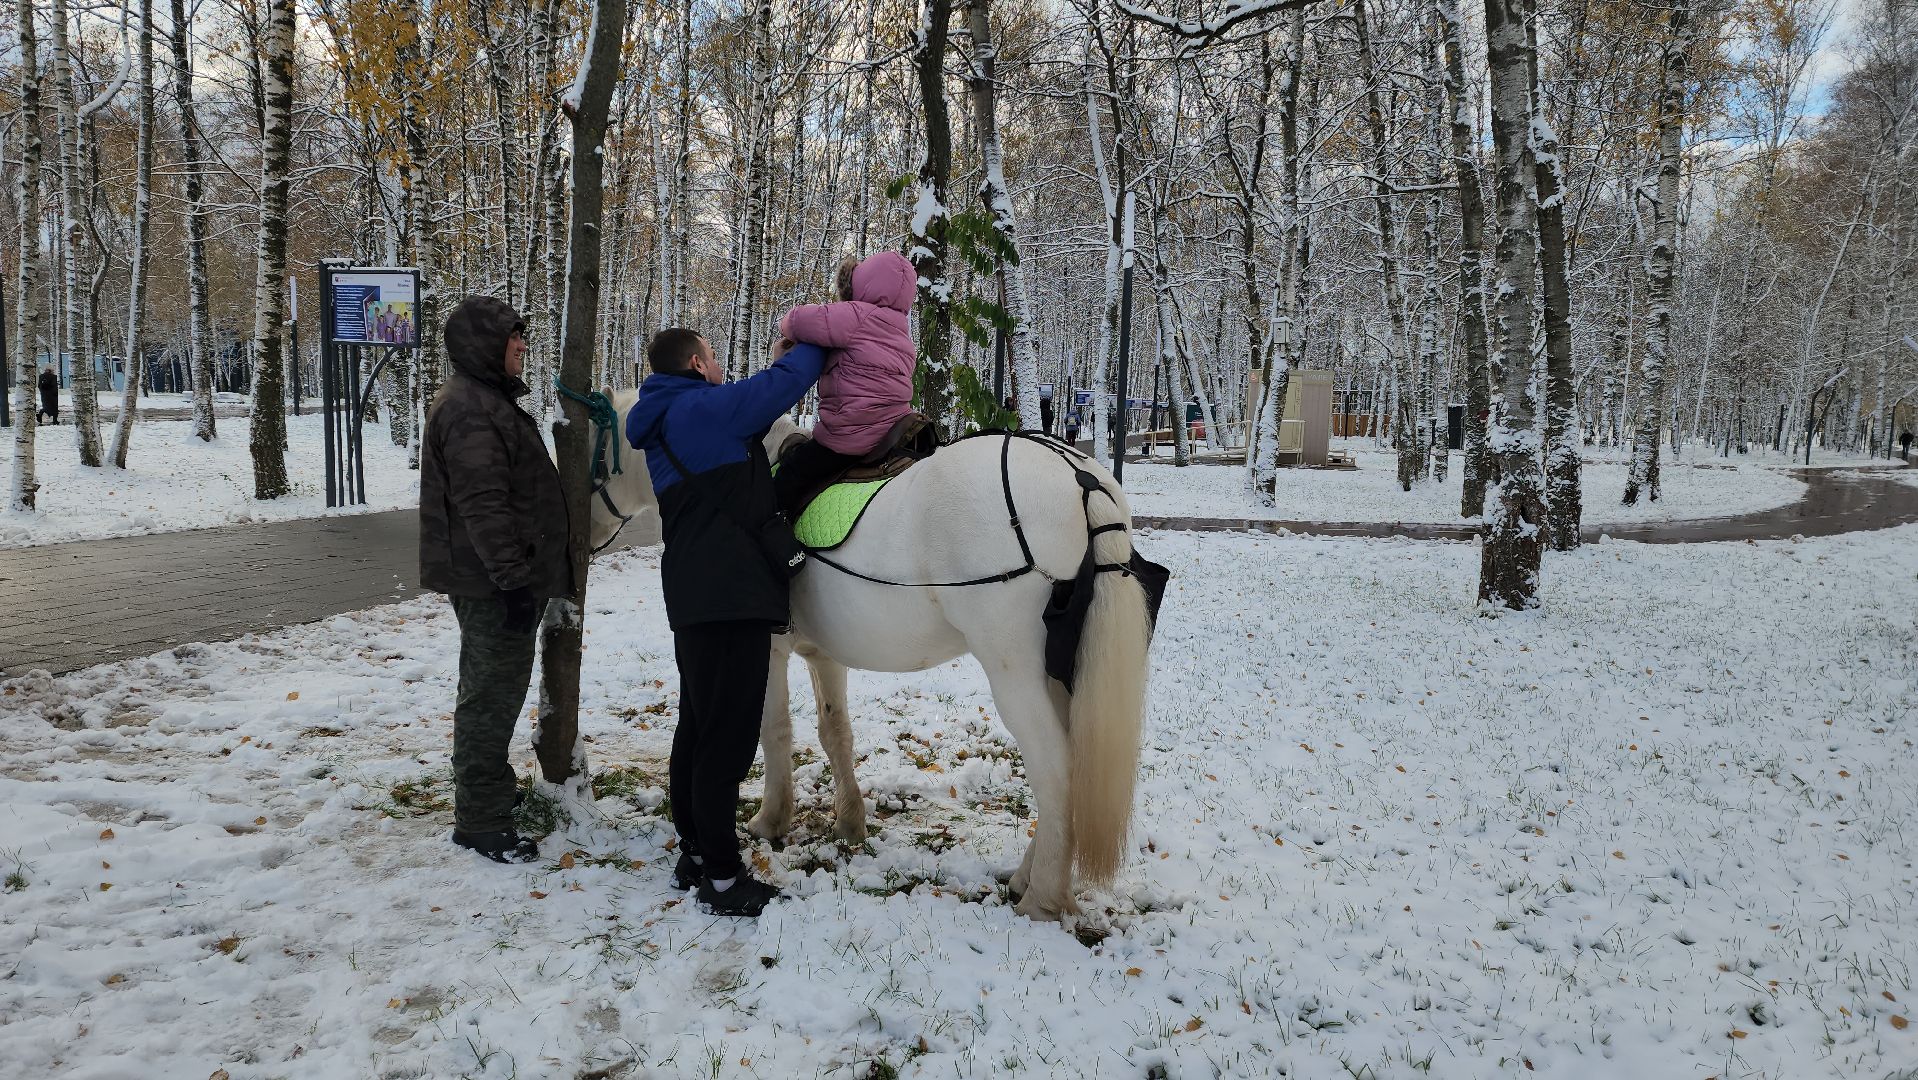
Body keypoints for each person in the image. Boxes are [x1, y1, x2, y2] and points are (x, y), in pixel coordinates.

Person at [626, 329, 827, 917]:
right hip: (727, 595)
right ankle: (720, 874)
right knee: (727, 737)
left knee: (697, 726)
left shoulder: (663, 417)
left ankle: (693, 851)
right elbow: (781, 385)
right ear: (694, 362)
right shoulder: (700, 409)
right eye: (713, 356)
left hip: (696, 593)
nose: (719, 365)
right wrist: (823, 336)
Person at [418, 295, 573, 865]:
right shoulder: (470, 410)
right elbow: (483, 506)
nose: (522, 346)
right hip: (493, 585)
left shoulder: (484, 401)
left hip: (500, 580)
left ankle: (489, 799)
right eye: (513, 337)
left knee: (493, 691)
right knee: (489, 697)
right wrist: (511, 583)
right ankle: (481, 820)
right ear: (485, 345)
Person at [770, 252, 918, 520]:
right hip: (892, 429)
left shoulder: (856, 314)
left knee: (791, 474)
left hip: (849, 436)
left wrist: (784, 331)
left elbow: (798, 320)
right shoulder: (902, 331)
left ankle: (773, 536)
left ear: (862, 283)